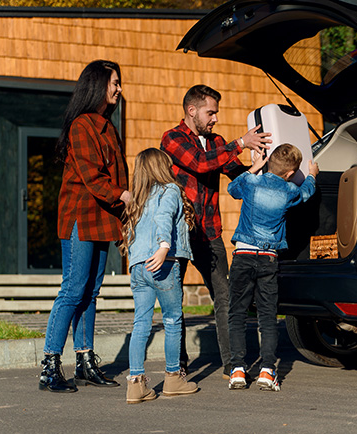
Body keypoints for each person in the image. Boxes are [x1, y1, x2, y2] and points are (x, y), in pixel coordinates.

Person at [160, 84, 272, 378]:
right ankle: (179, 365)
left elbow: (238, 180)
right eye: (211, 112)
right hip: (178, 234)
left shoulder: (218, 141)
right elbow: (198, 163)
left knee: (225, 297)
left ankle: (231, 363)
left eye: (216, 113)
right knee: (175, 301)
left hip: (210, 233)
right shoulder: (172, 139)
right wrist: (239, 143)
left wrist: (259, 166)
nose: (215, 119)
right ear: (192, 110)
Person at [39, 60, 130, 393]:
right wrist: (123, 195)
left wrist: (122, 208)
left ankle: (85, 362)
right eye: (115, 83)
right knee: (73, 290)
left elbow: (115, 177)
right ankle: (50, 366)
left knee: (91, 292)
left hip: (103, 218)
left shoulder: (107, 126)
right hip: (80, 216)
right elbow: (93, 177)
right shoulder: (82, 126)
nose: (119, 89)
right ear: (98, 85)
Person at [226, 144, 319, 391]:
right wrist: (312, 174)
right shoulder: (290, 190)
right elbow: (306, 193)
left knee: (237, 312)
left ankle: (237, 370)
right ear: (289, 174)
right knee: (267, 315)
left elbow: (231, 188)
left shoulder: (251, 183)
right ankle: (267, 371)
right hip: (268, 257)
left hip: (243, 255)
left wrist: (253, 168)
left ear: (269, 163)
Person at [120, 148, 199, 403]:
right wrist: (164, 247)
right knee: (173, 320)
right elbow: (164, 217)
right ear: (162, 167)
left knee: (141, 323)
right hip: (163, 263)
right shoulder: (170, 190)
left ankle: (136, 384)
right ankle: (174, 378)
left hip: (138, 266)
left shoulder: (138, 198)